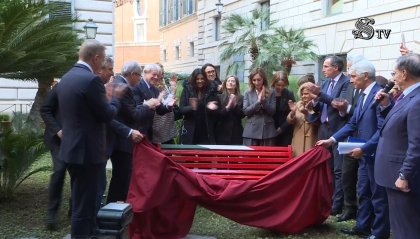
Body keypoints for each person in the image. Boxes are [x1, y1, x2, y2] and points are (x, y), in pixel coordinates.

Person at [55, 39, 122, 238]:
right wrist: (114, 96)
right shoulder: (91, 80)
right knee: (84, 206)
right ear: (96, 58)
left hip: (70, 150)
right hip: (87, 152)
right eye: (102, 61)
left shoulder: (66, 77)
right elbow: (107, 114)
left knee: (79, 202)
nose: (103, 66)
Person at [317, 60, 390, 239]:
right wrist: (332, 140)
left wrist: (364, 149)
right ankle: (362, 226)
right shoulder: (363, 93)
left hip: (374, 153)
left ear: (366, 75)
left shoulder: (379, 93)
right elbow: (353, 123)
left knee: (377, 195)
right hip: (364, 153)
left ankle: (379, 233)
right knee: (363, 190)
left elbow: (382, 129)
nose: (350, 80)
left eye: (354, 76)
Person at [375, 53, 420, 239]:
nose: (392, 77)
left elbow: (416, 144)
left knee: (406, 229)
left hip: (402, 178)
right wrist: (386, 106)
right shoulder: (406, 97)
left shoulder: (417, 100)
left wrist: (404, 175)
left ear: (404, 73)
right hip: (393, 173)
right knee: (401, 226)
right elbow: (399, 125)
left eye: (394, 73)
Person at [106, 60, 155, 204]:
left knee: (118, 176)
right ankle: (116, 207)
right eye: (139, 76)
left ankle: (115, 205)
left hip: (114, 138)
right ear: (133, 74)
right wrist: (147, 105)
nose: (140, 79)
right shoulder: (125, 87)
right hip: (122, 140)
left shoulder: (114, 83)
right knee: (122, 176)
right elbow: (134, 115)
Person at [308, 55, 350, 216]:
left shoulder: (346, 83)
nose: (323, 69)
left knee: (339, 170)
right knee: (328, 168)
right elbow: (320, 105)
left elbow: (341, 105)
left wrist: (320, 96)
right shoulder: (325, 83)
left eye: (326, 66)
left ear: (336, 68)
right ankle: (329, 199)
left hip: (338, 130)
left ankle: (338, 205)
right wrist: (313, 103)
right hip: (323, 129)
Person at [330, 53, 366, 222]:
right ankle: (349, 207)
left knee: (364, 179)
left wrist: (348, 108)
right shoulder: (352, 86)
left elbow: (360, 114)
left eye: (352, 70)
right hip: (349, 138)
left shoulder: (373, 89)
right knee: (346, 175)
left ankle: (363, 211)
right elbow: (349, 116)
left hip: (365, 139)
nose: (350, 77)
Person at [40, 82, 65, 231]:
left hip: (77, 140)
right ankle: (51, 214)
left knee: (78, 173)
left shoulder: (89, 86)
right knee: (59, 171)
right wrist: (57, 130)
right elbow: (45, 109)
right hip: (58, 139)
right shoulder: (59, 87)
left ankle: (74, 209)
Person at [132, 64, 174, 141]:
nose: (156, 77)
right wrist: (148, 104)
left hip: (149, 131)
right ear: (145, 72)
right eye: (154, 74)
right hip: (138, 131)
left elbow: (160, 110)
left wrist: (169, 106)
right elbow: (136, 109)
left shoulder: (155, 89)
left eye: (158, 76)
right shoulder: (137, 86)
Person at [179, 68, 219, 144]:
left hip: (206, 129)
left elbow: (217, 109)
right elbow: (181, 109)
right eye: (197, 79)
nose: (200, 81)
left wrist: (210, 108)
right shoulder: (187, 90)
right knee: (189, 154)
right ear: (194, 79)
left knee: (206, 154)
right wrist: (192, 107)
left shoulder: (211, 90)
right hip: (190, 128)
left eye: (202, 78)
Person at [242, 68, 276, 146]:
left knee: (266, 157)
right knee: (249, 157)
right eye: (254, 80)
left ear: (263, 79)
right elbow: (245, 111)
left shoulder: (271, 92)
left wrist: (264, 101)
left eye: (259, 80)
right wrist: (258, 102)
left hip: (267, 131)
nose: (256, 83)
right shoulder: (248, 92)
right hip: (251, 131)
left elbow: (273, 111)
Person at [286, 82, 319, 156]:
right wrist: (292, 112)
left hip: (311, 141)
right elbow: (289, 121)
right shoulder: (298, 104)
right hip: (298, 141)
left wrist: (306, 114)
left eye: (306, 94)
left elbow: (318, 122)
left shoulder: (317, 105)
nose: (303, 96)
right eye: (302, 94)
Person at [151, 63, 178, 144]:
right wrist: (173, 90)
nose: (162, 76)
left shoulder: (163, 84)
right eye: (161, 73)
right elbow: (164, 104)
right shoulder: (153, 86)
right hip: (160, 126)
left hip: (167, 123)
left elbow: (168, 100)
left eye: (163, 73)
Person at [215, 75, 244, 145]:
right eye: (228, 81)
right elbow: (217, 114)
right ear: (225, 84)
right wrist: (227, 107)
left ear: (236, 85)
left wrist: (235, 105)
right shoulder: (219, 97)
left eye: (233, 81)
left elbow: (242, 114)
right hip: (221, 131)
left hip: (236, 132)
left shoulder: (241, 98)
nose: (230, 83)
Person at [271, 71, 295, 146]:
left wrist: (282, 128)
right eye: (278, 85)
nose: (280, 88)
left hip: (286, 129)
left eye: (283, 85)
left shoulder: (289, 94)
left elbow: (292, 113)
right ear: (274, 83)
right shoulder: (269, 93)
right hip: (270, 129)